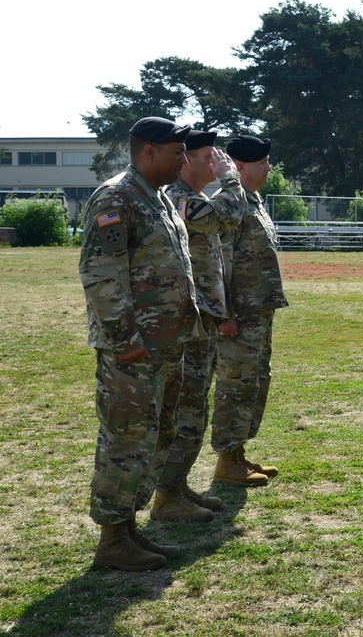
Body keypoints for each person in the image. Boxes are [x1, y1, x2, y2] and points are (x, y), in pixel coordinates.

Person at [79, 117, 203, 571]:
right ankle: (112, 539)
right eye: (177, 152)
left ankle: (128, 530)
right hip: (133, 350)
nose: (184, 161)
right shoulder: (116, 197)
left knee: (153, 436)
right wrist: (125, 339)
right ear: (148, 151)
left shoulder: (159, 199)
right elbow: (101, 276)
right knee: (126, 439)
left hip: (166, 345)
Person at [154, 130, 247, 520]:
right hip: (186, 323)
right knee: (186, 410)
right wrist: (232, 179)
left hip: (203, 319)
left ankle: (176, 488)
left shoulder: (195, 197)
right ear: (187, 160)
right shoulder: (179, 196)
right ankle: (167, 497)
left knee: (195, 408)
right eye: (211, 156)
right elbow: (225, 215)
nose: (218, 162)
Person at [212, 135, 288, 486]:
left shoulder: (252, 200)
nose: (269, 167)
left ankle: (238, 454)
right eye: (263, 162)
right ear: (239, 167)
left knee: (255, 382)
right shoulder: (228, 204)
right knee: (235, 385)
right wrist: (224, 313)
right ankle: (226, 461)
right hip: (238, 316)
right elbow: (217, 261)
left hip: (258, 311)